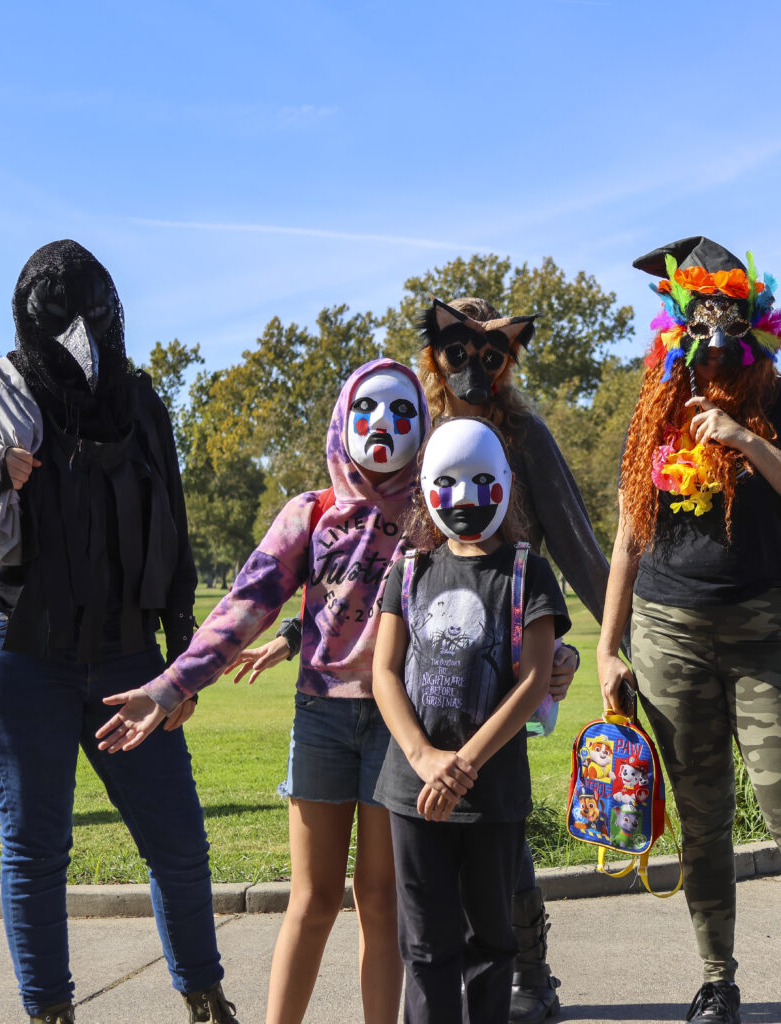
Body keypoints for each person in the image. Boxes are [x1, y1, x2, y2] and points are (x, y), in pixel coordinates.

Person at [248, 294, 610, 1024]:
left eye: (489, 355)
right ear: (435, 354)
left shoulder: (522, 436)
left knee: (497, 831)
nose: (473, 368)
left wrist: (596, 642)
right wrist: (297, 635)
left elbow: (573, 542)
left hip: (507, 645)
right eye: (458, 353)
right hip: (417, 663)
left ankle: (528, 974)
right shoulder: (416, 432)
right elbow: (365, 562)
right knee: (423, 869)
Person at [95, 359, 430, 1024]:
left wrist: (551, 652)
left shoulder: (432, 511)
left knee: (381, 899)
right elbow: (241, 609)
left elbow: (482, 591)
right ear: (342, 418)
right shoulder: (312, 512)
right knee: (311, 899)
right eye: (368, 410)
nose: (383, 426)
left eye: (401, 412)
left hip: (401, 724)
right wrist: (169, 687)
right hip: (322, 722)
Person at [0, 240, 237, 1024]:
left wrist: (183, 663)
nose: (79, 328)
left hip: (128, 651)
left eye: (90, 309)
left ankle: (204, 998)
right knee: (35, 849)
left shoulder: (139, 398)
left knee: (180, 843)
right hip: (19, 648)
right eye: (59, 313)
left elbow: (177, 526)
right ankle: (49, 1013)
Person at [596, 236, 781, 1024]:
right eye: (697, 326)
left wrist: (747, 440)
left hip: (768, 631)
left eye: (727, 327)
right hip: (668, 630)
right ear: (677, 327)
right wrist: (609, 646)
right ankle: (717, 978)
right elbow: (626, 533)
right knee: (701, 817)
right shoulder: (655, 405)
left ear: (752, 327)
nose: (711, 346)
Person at [372, 416, 570, 1024]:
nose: (465, 499)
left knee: (491, 943)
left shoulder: (526, 571)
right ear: (427, 486)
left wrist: (464, 764)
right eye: (449, 482)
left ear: (506, 484)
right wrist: (426, 759)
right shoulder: (408, 571)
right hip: (414, 795)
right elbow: (383, 672)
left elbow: (535, 676)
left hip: (493, 796)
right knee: (426, 946)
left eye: (482, 481)